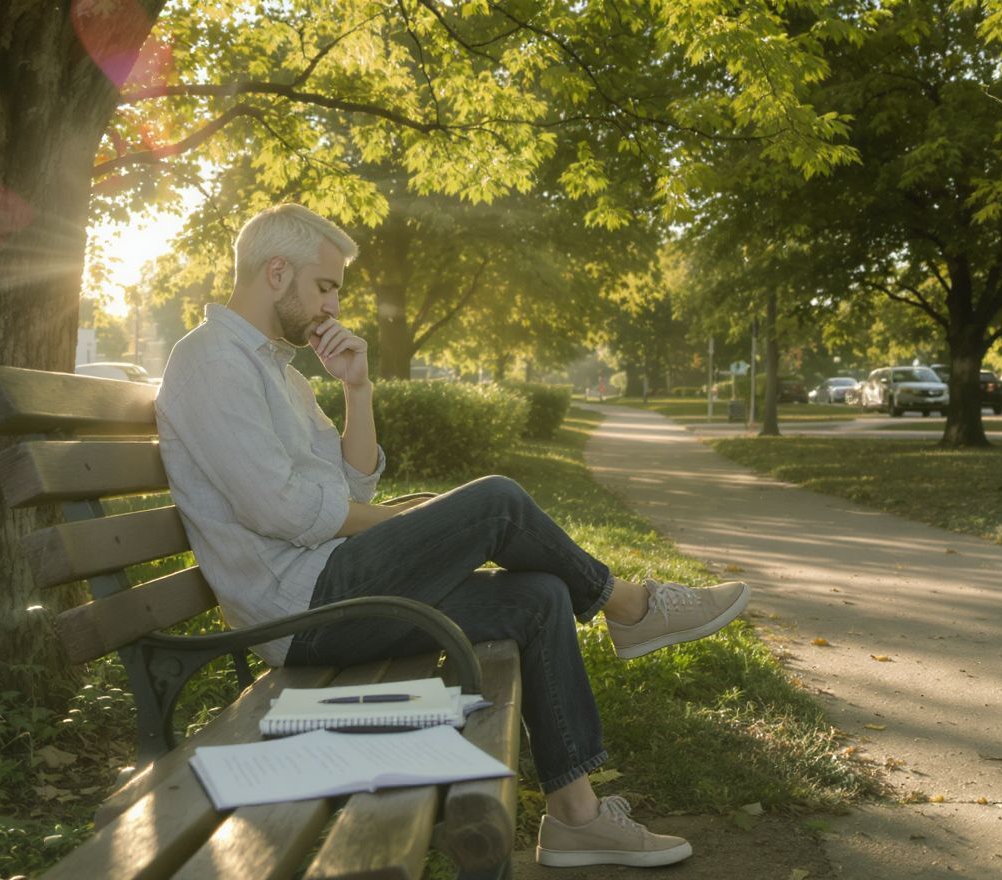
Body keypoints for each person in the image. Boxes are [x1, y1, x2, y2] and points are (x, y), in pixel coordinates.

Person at [155, 203, 750, 869]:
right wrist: (405, 522)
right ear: (276, 273)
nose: (332, 307)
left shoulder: (279, 373)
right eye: (325, 287)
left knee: (540, 595)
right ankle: (630, 606)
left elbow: (352, 489)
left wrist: (358, 389)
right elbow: (283, 510)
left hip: (334, 585)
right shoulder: (211, 361)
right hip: (300, 610)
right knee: (496, 502)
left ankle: (577, 817)